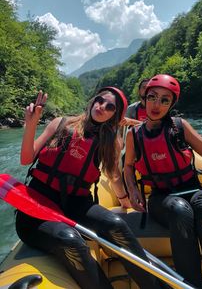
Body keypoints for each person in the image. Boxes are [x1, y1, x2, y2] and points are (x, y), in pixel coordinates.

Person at [16, 88, 162, 289]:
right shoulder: (60, 123)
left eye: (110, 106)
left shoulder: (111, 142)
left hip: (76, 205)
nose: (101, 107)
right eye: (100, 100)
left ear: (115, 115)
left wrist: (125, 200)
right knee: (70, 239)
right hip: (38, 206)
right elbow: (26, 159)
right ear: (93, 101)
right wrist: (31, 125)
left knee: (116, 224)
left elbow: (114, 176)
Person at [124, 74, 202, 289]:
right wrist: (132, 190)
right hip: (161, 196)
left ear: (171, 104)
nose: (157, 104)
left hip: (191, 187)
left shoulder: (179, 126)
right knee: (179, 210)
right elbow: (128, 166)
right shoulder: (133, 134)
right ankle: (192, 285)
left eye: (165, 100)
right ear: (144, 98)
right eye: (153, 97)